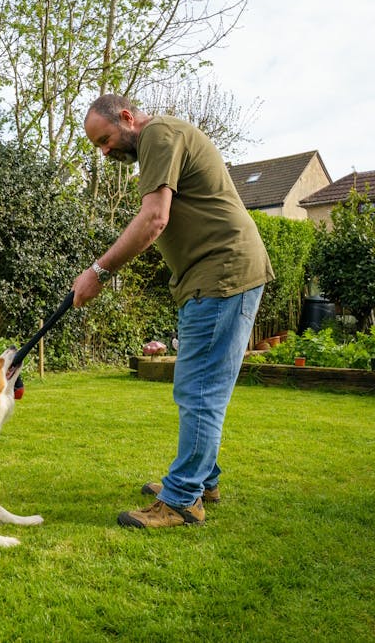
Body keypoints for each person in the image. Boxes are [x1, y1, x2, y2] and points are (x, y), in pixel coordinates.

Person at [72, 93, 274, 530]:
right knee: (199, 385)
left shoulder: (159, 134)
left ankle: (183, 499)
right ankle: (204, 480)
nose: (105, 152)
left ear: (127, 117)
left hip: (222, 273)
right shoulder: (160, 142)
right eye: (99, 147)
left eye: (105, 139)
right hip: (212, 275)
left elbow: (153, 220)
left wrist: (97, 272)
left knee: (199, 390)